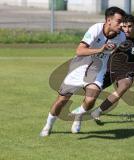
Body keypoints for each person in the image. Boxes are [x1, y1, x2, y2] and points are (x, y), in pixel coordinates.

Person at [40, 6, 126, 137]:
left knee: (91, 99)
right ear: (108, 20)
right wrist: (100, 50)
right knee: (62, 100)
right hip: (79, 67)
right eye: (119, 21)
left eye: (123, 22)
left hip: (97, 70)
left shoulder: (121, 38)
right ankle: (48, 125)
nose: (122, 25)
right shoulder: (96, 29)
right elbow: (79, 50)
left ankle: (78, 115)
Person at [72, 14, 134, 126]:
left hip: (127, 71)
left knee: (124, 86)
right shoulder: (118, 36)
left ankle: (97, 112)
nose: (126, 30)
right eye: (124, 27)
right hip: (109, 67)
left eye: (130, 26)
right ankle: (80, 114)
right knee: (92, 95)